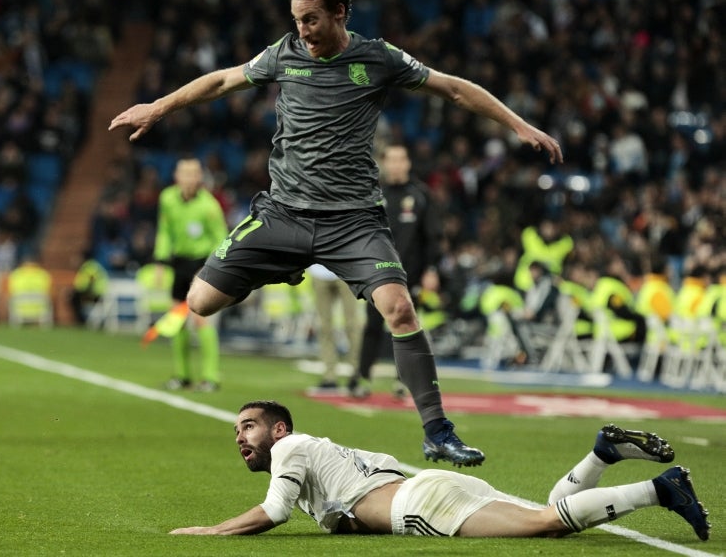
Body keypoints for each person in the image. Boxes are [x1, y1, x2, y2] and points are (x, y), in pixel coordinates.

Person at [110, 0, 563, 466]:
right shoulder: (283, 53)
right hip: (282, 213)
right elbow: (220, 82)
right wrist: (159, 106)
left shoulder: (379, 58)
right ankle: (283, 266)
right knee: (198, 302)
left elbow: (454, 88)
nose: (302, 31)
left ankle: (437, 431)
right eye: (297, 19)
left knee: (400, 309)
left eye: (311, 20)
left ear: (340, 13)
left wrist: (519, 125)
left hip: (353, 222)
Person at [169, 400, 710, 542]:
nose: (240, 437)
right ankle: (601, 455)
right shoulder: (321, 449)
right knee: (546, 512)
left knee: (545, 525)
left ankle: (658, 490)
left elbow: (274, 512)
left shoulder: (291, 450)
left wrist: (214, 530)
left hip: (422, 507)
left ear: (279, 430)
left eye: (248, 427)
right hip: (427, 488)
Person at [349, 144, 440, 399]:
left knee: (408, 328)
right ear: (384, 163)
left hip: (410, 273)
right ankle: (363, 377)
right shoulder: (373, 194)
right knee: (372, 325)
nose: (397, 164)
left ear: (408, 163)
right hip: (376, 273)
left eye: (401, 159)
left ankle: (405, 380)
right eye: (392, 159)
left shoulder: (421, 195)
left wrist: (432, 269)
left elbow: (433, 235)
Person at [153, 156, 228, 392]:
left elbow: (222, 239)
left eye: (193, 173)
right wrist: (160, 261)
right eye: (184, 173)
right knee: (176, 320)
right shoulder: (167, 199)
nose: (188, 178)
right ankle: (182, 375)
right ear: (176, 176)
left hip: (202, 265)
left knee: (201, 320)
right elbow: (164, 231)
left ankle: (210, 377)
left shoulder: (209, 206)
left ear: (200, 178)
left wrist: (210, 269)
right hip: (179, 263)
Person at [306, 263, 362, 392]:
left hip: (346, 270)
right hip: (319, 271)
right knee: (324, 327)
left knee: (352, 325)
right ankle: (329, 376)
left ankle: (355, 374)